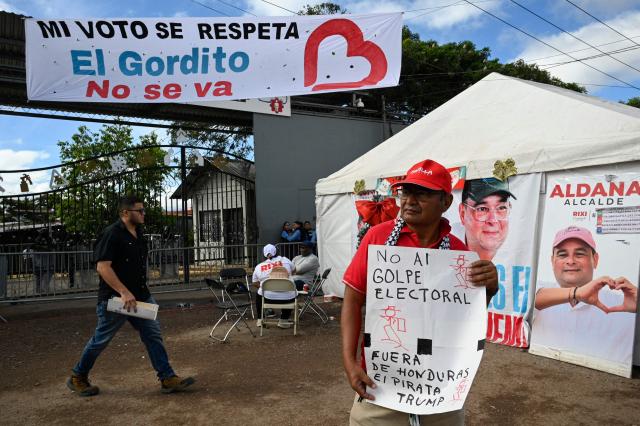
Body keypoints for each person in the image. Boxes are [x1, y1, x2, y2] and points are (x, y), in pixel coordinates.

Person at [341, 159, 499, 425]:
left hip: (440, 392)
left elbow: (466, 318)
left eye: (423, 193)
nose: (410, 201)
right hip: (381, 388)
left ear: (446, 202)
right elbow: (353, 299)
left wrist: (491, 288)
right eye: (406, 192)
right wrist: (349, 362)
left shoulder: (461, 254)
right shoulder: (377, 238)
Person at [67, 195, 195, 397]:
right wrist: (124, 291)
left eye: (143, 210)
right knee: (101, 340)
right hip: (116, 300)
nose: (144, 214)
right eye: (140, 211)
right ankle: (78, 376)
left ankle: (167, 378)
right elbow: (102, 267)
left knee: (153, 335)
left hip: (141, 297)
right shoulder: (112, 234)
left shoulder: (139, 234)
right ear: (125, 213)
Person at [532, 226, 637, 365]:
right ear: (552, 261)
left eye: (579, 254)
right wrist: (576, 293)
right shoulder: (535, 291)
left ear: (595, 259)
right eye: (562, 254)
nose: (570, 261)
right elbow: (526, 299)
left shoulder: (624, 303)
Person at [458, 178, 516, 261]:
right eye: (482, 209)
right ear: (463, 214)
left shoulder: (520, 252)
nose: (493, 220)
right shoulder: (447, 249)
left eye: (501, 208)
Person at [252, 244, 295, 328]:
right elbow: (294, 270)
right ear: (277, 252)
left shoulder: (259, 266)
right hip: (287, 299)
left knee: (259, 292)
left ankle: (260, 320)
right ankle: (284, 320)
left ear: (264, 254)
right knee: (291, 290)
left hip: (268, 299)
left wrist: (266, 288)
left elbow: (254, 282)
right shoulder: (285, 260)